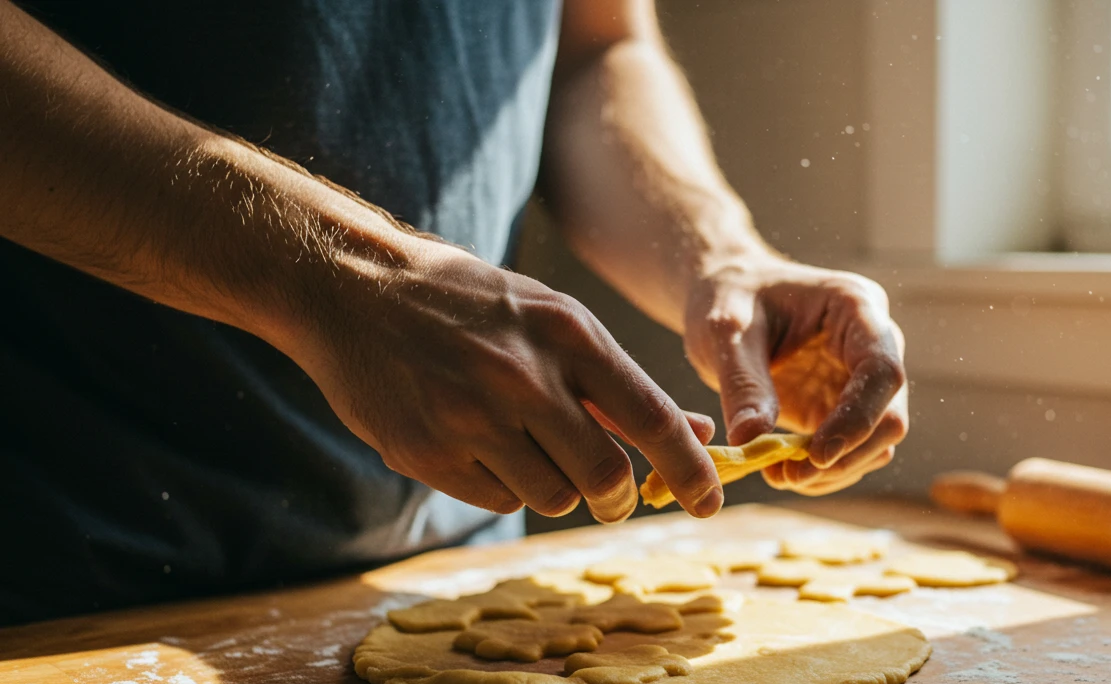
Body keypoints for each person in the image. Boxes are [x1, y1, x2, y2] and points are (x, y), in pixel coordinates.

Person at [0, 0, 909, 626]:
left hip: (455, 575)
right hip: (67, 561)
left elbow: (591, 51)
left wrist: (719, 254)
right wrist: (344, 281)